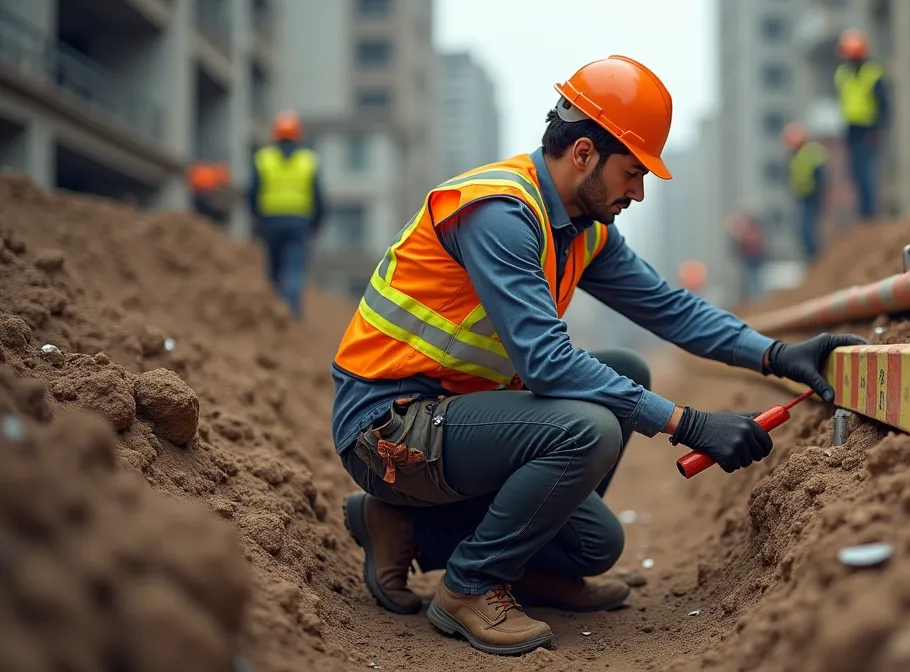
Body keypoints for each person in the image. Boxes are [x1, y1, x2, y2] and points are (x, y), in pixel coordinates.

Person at [330, 54, 866, 656]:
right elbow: (547, 363)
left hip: (455, 419)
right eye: (632, 172)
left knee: (595, 540)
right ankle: (470, 585)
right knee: (588, 428)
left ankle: (420, 532)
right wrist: (687, 423)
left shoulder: (583, 229)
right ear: (584, 153)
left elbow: (670, 308)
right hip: (389, 427)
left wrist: (776, 355)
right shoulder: (500, 214)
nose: (638, 192)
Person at [247, 110, 324, 319]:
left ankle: (272, 312)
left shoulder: (264, 158)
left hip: (271, 221)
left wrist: (256, 218)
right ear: (297, 134)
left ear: (275, 134)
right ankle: (292, 313)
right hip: (299, 221)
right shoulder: (308, 160)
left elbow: (253, 192)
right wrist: (317, 222)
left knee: (274, 268)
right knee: (295, 269)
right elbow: (317, 195)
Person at [833, 29, 891, 220]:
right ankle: (863, 213)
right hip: (851, 128)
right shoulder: (842, 74)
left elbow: (884, 103)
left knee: (867, 171)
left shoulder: (873, 72)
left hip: (868, 128)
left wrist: (878, 128)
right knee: (856, 173)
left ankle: (869, 213)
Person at [782, 123, 828, 263]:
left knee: (807, 230)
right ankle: (812, 259)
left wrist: (819, 192)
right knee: (802, 230)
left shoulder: (810, 152)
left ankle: (815, 258)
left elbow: (820, 175)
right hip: (802, 197)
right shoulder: (796, 156)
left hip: (811, 196)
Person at [724, 211, 766, 302]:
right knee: (749, 281)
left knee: (754, 281)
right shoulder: (745, 233)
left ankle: (755, 300)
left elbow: (759, 246)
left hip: (754, 261)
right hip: (747, 261)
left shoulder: (754, 232)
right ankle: (751, 300)